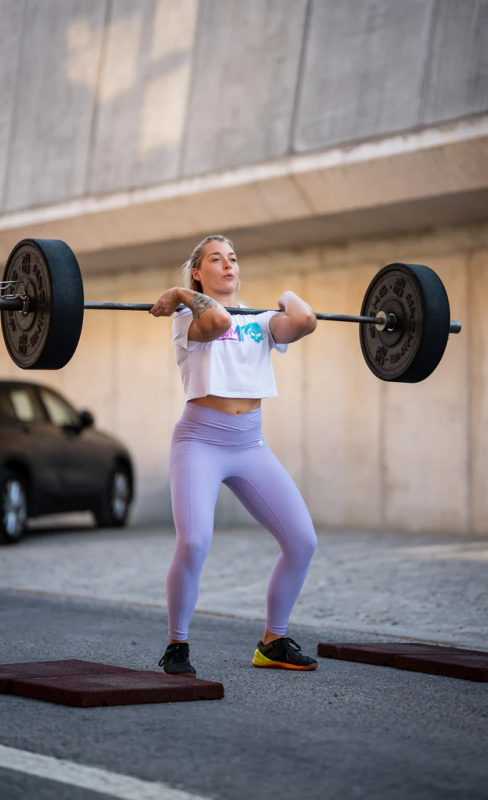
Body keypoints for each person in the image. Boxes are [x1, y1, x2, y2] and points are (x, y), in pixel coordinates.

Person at [149, 234, 319, 678]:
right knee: (194, 542)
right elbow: (219, 323)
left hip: (249, 445)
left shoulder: (263, 321)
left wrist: (282, 297)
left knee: (302, 542)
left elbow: (304, 319)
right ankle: (177, 645)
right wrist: (184, 297)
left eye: (233, 259)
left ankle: (273, 642)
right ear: (198, 273)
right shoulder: (186, 319)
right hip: (199, 443)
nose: (228, 265)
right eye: (215, 260)